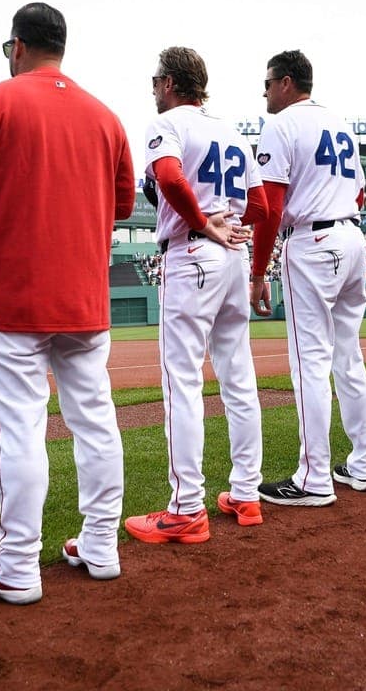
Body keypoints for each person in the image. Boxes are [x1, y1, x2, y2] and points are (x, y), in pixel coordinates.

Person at [0, 4, 135, 598]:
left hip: (14, 299)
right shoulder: (106, 116)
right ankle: (100, 544)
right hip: (84, 297)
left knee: (21, 428)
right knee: (95, 420)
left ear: (17, 47)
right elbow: (124, 204)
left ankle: (18, 564)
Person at [123, 47, 268, 542]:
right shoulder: (232, 132)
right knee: (239, 377)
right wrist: (230, 222)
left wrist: (204, 221)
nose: (153, 88)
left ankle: (186, 508)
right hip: (232, 255)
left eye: (155, 80)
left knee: (182, 381)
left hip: (193, 250)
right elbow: (261, 205)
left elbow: (168, 176)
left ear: (169, 83)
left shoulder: (168, 123)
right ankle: (246, 494)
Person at [250, 50, 366, 505]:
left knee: (310, 363)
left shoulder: (282, 124)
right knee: (349, 357)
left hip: (313, 242)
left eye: (268, 83)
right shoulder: (339, 123)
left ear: (286, 82)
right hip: (352, 236)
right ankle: (362, 464)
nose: (264, 92)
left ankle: (314, 478)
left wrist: (258, 271)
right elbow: (359, 193)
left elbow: (270, 207)